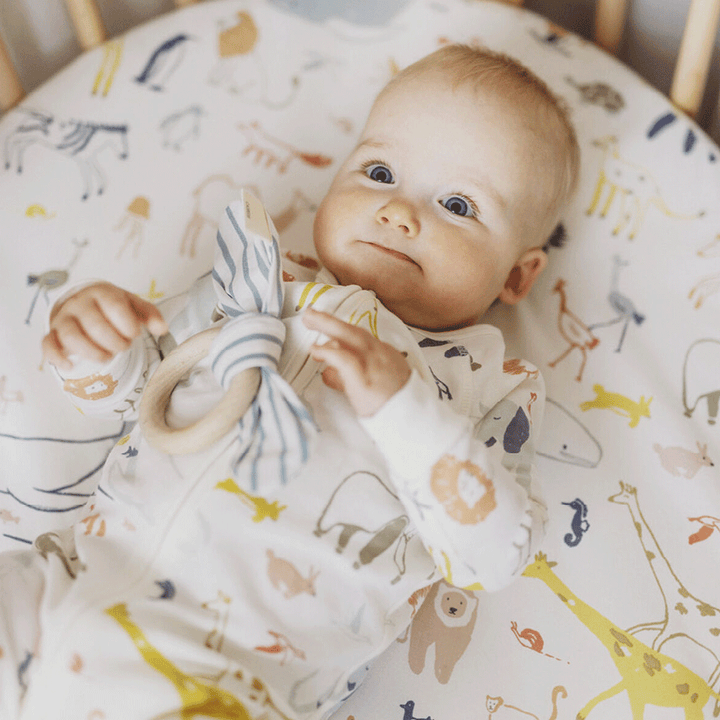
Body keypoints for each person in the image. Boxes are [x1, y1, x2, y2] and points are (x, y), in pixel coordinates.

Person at [8, 44, 579, 720]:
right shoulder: (261, 282)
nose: (399, 211)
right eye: (380, 170)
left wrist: (404, 410)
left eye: (458, 204)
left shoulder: (493, 387)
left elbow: (492, 556)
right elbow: (141, 392)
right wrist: (94, 345)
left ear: (518, 276)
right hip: (63, 583)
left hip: (231, 670)